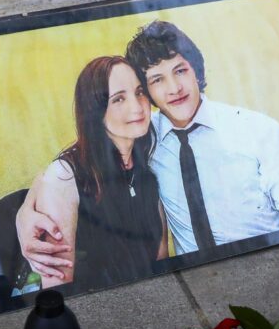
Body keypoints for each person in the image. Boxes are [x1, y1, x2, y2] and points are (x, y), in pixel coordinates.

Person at [18, 20, 279, 271]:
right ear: (146, 92)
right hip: (199, 276)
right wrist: (26, 214)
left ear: (196, 71)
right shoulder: (144, 135)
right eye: (157, 79)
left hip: (268, 262)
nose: (174, 89)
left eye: (181, 71)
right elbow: (77, 160)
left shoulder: (255, 129)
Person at [15, 55, 168, 291]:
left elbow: (162, 265)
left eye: (139, 92)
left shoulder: (148, 162)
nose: (137, 107)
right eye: (118, 99)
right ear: (94, 111)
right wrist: (26, 209)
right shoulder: (65, 176)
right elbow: (58, 288)